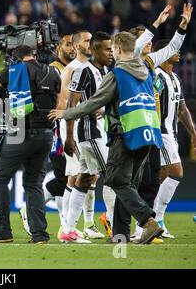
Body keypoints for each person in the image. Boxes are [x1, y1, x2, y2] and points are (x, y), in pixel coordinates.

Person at [49, 32, 164, 244]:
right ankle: (120, 236)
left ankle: (148, 221)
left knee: (115, 180)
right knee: (126, 183)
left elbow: (93, 102)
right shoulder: (147, 71)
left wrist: (66, 114)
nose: (111, 53)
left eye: (113, 49)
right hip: (148, 133)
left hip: (125, 134)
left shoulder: (117, 74)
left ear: (119, 50)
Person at [0, 45, 61, 244]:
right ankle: (39, 234)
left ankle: (2, 231)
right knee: (34, 184)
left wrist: (5, 82)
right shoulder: (52, 71)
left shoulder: (14, 70)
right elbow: (58, 100)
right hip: (46, 134)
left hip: (21, 133)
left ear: (14, 58)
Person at [128, 3, 192, 242]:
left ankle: (148, 224)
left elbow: (174, 46)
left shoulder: (151, 64)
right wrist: (156, 24)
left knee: (150, 180)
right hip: (137, 127)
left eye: (150, 42)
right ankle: (137, 226)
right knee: (137, 180)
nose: (148, 44)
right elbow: (135, 48)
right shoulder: (132, 63)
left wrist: (183, 26)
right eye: (146, 41)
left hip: (152, 130)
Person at [58, 32, 115, 243]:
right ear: (94, 51)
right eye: (107, 49)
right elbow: (71, 106)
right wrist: (69, 137)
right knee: (114, 174)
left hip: (101, 131)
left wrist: (106, 109)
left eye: (112, 49)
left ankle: (68, 230)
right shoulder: (82, 71)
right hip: (89, 133)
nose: (111, 53)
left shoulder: (107, 71)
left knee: (85, 179)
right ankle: (114, 223)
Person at [19, 32, 75, 239]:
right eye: (68, 44)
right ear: (57, 47)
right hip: (59, 130)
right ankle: (32, 209)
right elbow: (57, 104)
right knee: (67, 177)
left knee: (74, 177)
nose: (73, 48)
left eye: (74, 45)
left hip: (73, 127)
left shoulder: (76, 68)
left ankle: (70, 224)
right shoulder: (52, 70)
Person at [152, 39, 196, 238]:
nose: (178, 52)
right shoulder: (156, 76)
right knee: (177, 172)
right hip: (160, 132)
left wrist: (193, 132)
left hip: (172, 133)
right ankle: (158, 218)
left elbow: (182, 109)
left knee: (159, 178)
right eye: (174, 49)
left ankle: (148, 220)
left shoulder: (175, 78)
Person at [57, 30, 96, 240]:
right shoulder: (71, 69)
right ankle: (66, 227)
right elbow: (64, 103)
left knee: (88, 176)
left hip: (90, 128)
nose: (91, 44)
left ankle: (73, 226)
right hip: (74, 128)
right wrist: (66, 135)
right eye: (87, 41)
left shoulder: (92, 68)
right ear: (75, 45)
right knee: (76, 176)